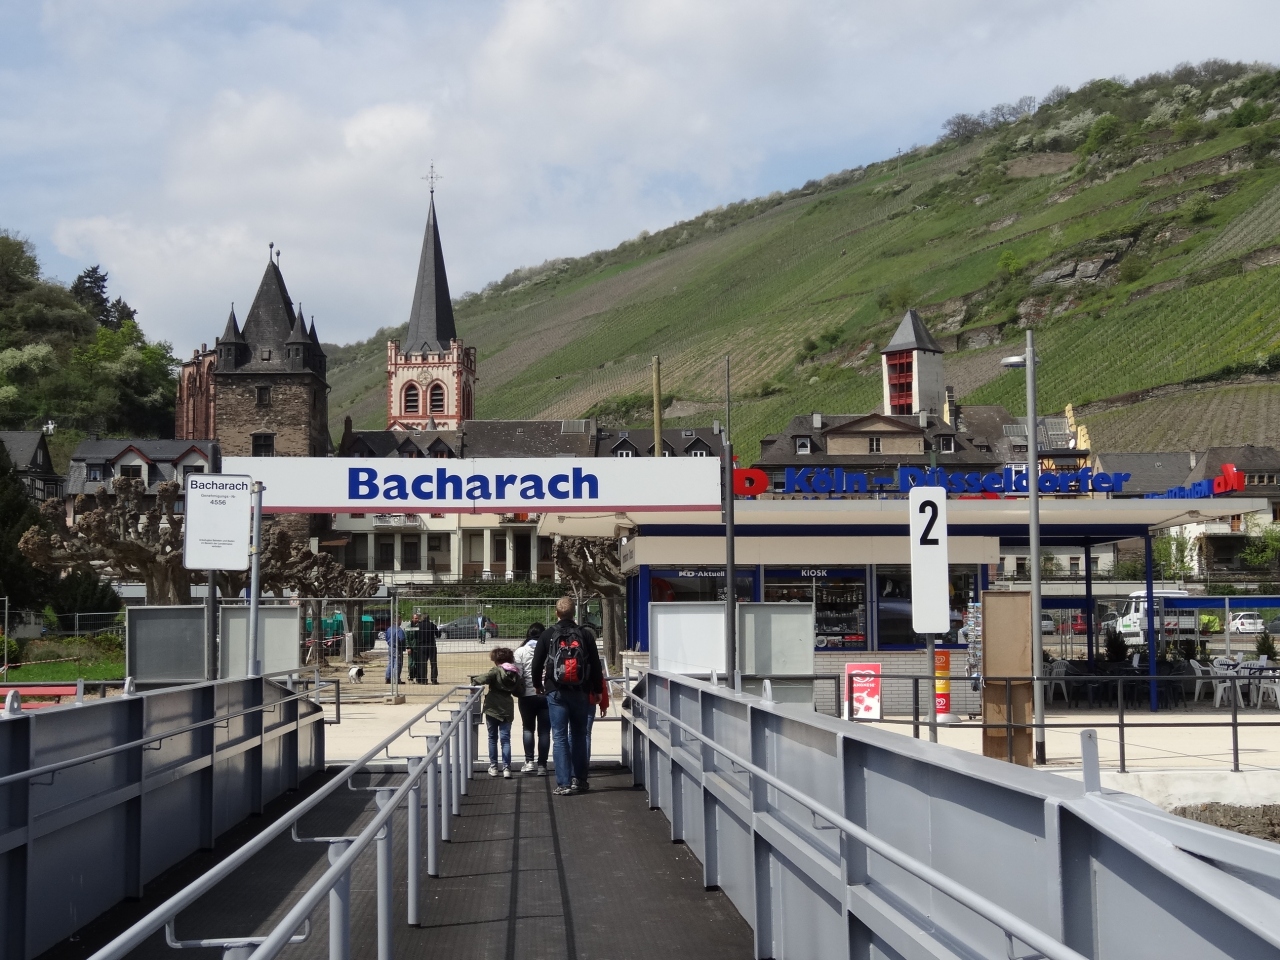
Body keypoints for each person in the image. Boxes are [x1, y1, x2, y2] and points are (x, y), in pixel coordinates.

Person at [531, 597, 603, 796]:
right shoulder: (585, 635)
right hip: (581, 690)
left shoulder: (548, 635)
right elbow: (596, 665)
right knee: (579, 735)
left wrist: (538, 685)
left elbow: (536, 664)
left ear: (556, 613)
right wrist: (597, 690)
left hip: (556, 690)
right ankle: (579, 779)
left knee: (560, 736)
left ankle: (563, 783)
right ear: (574, 613)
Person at [470, 647, 522, 778]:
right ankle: (507, 768)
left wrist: (474, 681)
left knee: (492, 738)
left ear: (496, 660)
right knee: (506, 739)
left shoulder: (496, 671)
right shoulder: (515, 673)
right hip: (507, 707)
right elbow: (519, 690)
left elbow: (484, 678)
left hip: (492, 707)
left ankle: (493, 766)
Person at [513, 622, 550, 775]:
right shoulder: (548, 649)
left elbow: (518, 674)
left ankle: (529, 762)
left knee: (528, 728)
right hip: (546, 694)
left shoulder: (520, 651)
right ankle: (542, 765)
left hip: (526, 695)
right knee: (544, 731)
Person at [419, 613, 440, 684]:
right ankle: (434, 679)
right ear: (428, 618)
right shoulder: (432, 625)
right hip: (431, 645)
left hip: (422, 646)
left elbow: (416, 635)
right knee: (433, 663)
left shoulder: (419, 626)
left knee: (423, 663)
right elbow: (438, 635)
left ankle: (423, 680)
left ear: (422, 618)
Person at [384, 619, 406, 684]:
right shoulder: (399, 630)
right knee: (397, 663)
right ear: (398, 621)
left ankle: (388, 678)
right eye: (400, 621)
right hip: (397, 648)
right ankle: (397, 679)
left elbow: (386, 637)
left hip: (390, 648)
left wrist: (389, 643)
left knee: (391, 663)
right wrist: (403, 647)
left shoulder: (389, 629)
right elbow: (402, 639)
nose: (401, 622)